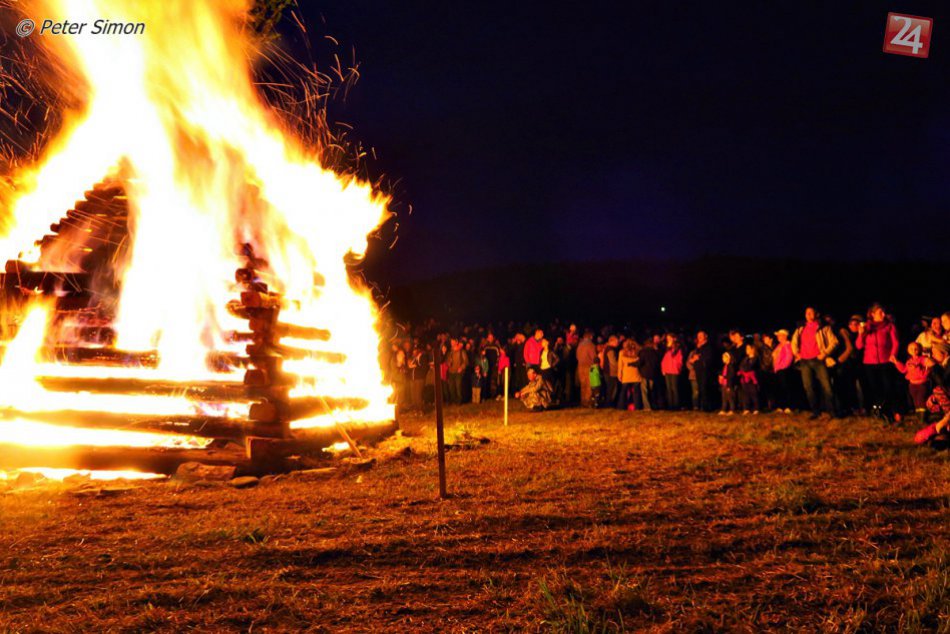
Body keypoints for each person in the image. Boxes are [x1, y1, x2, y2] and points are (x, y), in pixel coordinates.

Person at [856, 303, 900, 421]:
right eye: (880, 312)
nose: (883, 314)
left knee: (889, 386)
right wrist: (860, 334)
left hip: (886, 360)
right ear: (873, 314)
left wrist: (893, 355)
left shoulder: (889, 326)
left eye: (884, 312)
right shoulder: (866, 327)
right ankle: (880, 411)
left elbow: (895, 342)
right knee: (875, 388)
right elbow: (859, 346)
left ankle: (894, 410)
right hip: (870, 363)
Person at [792, 307, 837, 420]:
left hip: (818, 360)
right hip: (805, 361)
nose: (808, 314)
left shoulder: (823, 327)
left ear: (816, 314)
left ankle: (832, 411)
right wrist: (796, 353)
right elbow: (794, 341)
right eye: (806, 313)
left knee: (827, 386)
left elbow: (834, 341)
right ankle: (815, 411)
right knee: (809, 387)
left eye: (810, 312)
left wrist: (825, 353)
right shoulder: (800, 328)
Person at [892, 342, 930, 416]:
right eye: (911, 349)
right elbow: (904, 370)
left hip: (921, 383)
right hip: (912, 384)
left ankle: (923, 415)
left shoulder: (923, 359)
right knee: (915, 399)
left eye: (916, 349)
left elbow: (927, 371)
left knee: (921, 398)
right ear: (908, 351)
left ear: (920, 349)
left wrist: (917, 368)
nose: (914, 350)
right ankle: (918, 412)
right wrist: (896, 362)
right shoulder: (909, 361)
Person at [771, 329, 795, 414]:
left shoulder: (787, 345)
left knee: (786, 387)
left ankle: (789, 406)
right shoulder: (779, 345)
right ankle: (781, 406)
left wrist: (782, 366)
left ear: (785, 336)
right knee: (779, 388)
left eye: (780, 335)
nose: (778, 337)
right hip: (778, 370)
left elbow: (789, 357)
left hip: (784, 370)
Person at [692, 331, 716, 411]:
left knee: (705, 387)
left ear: (705, 336)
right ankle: (702, 405)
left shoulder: (708, 346)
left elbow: (709, 357)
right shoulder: (697, 347)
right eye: (698, 336)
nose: (699, 337)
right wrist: (694, 359)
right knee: (700, 388)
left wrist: (699, 358)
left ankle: (707, 407)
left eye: (701, 336)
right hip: (698, 369)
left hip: (705, 370)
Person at [617, 338, 643, 410]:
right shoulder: (637, 352)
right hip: (635, 374)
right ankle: (637, 407)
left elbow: (620, 365)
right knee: (636, 392)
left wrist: (619, 374)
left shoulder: (622, 352)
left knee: (623, 391)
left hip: (626, 374)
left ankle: (621, 406)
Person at [661, 334, 684, 410]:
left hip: (674, 370)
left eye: (670, 338)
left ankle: (676, 405)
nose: (668, 339)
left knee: (674, 388)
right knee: (669, 388)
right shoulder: (666, 348)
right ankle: (670, 406)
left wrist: (678, 367)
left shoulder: (677, 347)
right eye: (667, 338)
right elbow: (665, 359)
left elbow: (674, 356)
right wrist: (663, 368)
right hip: (667, 370)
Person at [576, 330, 597, 406]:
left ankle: (583, 400)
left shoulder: (580, 345)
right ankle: (588, 401)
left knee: (583, 384)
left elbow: (577, 356)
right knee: (589, 384)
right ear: (590, 336)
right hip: (589, 366)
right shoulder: (591, 345)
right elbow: (594, 357)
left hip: (580, 366)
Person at [738, 343, 761, 414]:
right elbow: (741, 366)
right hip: (745, 378)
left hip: (752, 379)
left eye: (748, 348)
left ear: (752, 349)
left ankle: (756, 408)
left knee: (754, 393)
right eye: (746, 349)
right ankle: (746, 408)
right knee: (745, 393)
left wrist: (746, 369)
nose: (746, 350)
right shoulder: (745, 359)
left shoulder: (756, 358)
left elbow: (751, 366)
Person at [445, 338, 469, 404]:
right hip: (451, 372)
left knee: (458, 386)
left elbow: (466, 362)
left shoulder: (462, 351)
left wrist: (461, 367)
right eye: (451, 342)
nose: (452, 343)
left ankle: (459, 401)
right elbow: (447, 361)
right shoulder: (450, 352)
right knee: (451, 387)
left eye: (453, 342)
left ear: (456, 342)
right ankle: (453, 400)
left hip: (458, 372)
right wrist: (448, 363)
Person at [603, 336, 621, 407]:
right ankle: (609, 403)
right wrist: (620, 367)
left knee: (610, 388)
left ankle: (609, 403)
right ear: (611, 342)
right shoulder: (610, 350)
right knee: (611, 388)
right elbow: (613, 362)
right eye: (616, 342)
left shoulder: (607, 349)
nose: (618, 343)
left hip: (608, 371)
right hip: (611, 372)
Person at [718, 351, 738, 415]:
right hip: (724, 383)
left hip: (728, 384)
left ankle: (732, 409)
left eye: (724, 357)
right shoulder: (725, 366)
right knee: (724, 397)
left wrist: (729, 385)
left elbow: (731, 376)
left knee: (730, 397)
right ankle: (724, 409)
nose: (723, 359)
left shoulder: (731, 366)